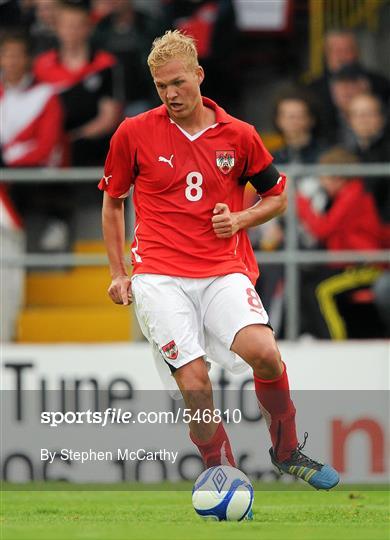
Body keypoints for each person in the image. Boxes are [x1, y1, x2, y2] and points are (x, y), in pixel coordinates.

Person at [99, 30, 339, 491]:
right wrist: (116, 273)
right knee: (195, 384)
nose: (171, 94)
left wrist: (242, 218)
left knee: (265, 355)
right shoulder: (133, 132)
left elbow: (277, 196)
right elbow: (113, 203)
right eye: (161, 86)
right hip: (160, 276)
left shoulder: (240, 135)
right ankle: (222, 471)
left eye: (178, 83)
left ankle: (287, 451)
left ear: (199, 75)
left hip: (223, 270)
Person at [297, 147, 385, 339]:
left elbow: (323, 229)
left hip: (367, 265)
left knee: (321, 291)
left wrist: (301, 204)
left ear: (339, 177)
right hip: (350, 264)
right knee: (305, 283)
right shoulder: (347, 194)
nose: (322, 182)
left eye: (325, 177)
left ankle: (336, 343)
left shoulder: (352, 194)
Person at [33, 0, 122, 166]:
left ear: (89, 28)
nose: (72, 31)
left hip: (93, 150)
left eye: (78, 25)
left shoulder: (105, 64)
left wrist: (74, 138)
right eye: (67, 25)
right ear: (57, 28)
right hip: (50, 151)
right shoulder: (42, 66)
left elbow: (109, 117)